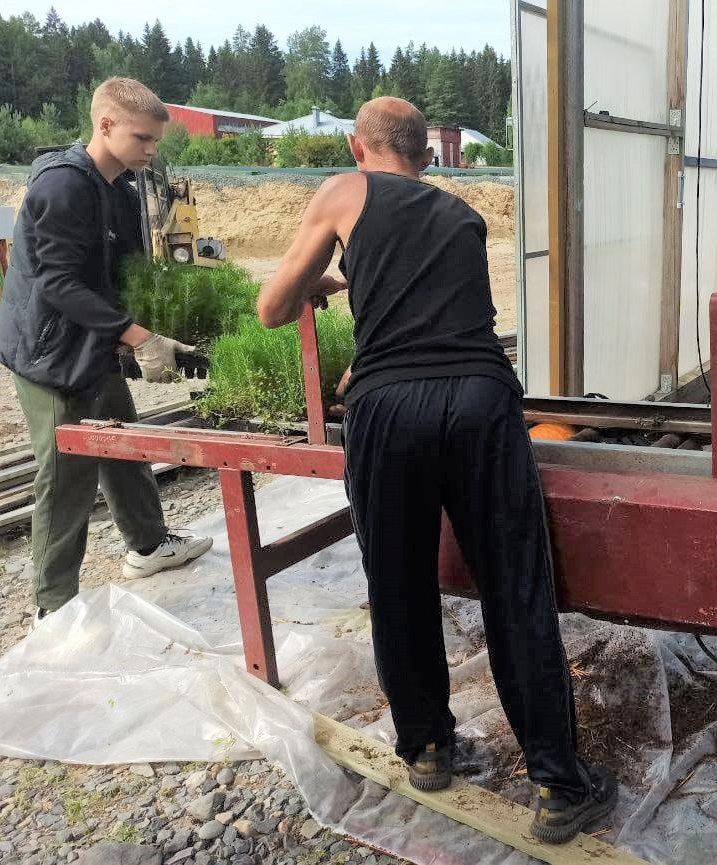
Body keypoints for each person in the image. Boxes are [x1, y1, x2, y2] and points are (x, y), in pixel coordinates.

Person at [256, 96, 616, 844]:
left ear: (359, 146)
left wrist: (321, 284)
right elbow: (437, 315)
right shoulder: (461, 216)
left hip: (386, 408)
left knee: (399, 581)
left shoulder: (342, 190)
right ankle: (558, 783)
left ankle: (425, 748)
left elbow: (269, 306)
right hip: (481, 400)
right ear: (426, 154)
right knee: (515, 587)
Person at [0, 77, 213, 627]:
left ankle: (147, 546)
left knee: (123, 436)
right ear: (106, 126)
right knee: (67, 470)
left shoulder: (119, 187)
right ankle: (54, 607)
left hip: (91, 340)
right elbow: (59, 284)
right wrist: (139, 337)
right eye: (143, 138)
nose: (151, 149)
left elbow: (120, 276)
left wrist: (155, 328)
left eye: (155, 140)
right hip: (49, 351)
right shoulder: (63, 186)